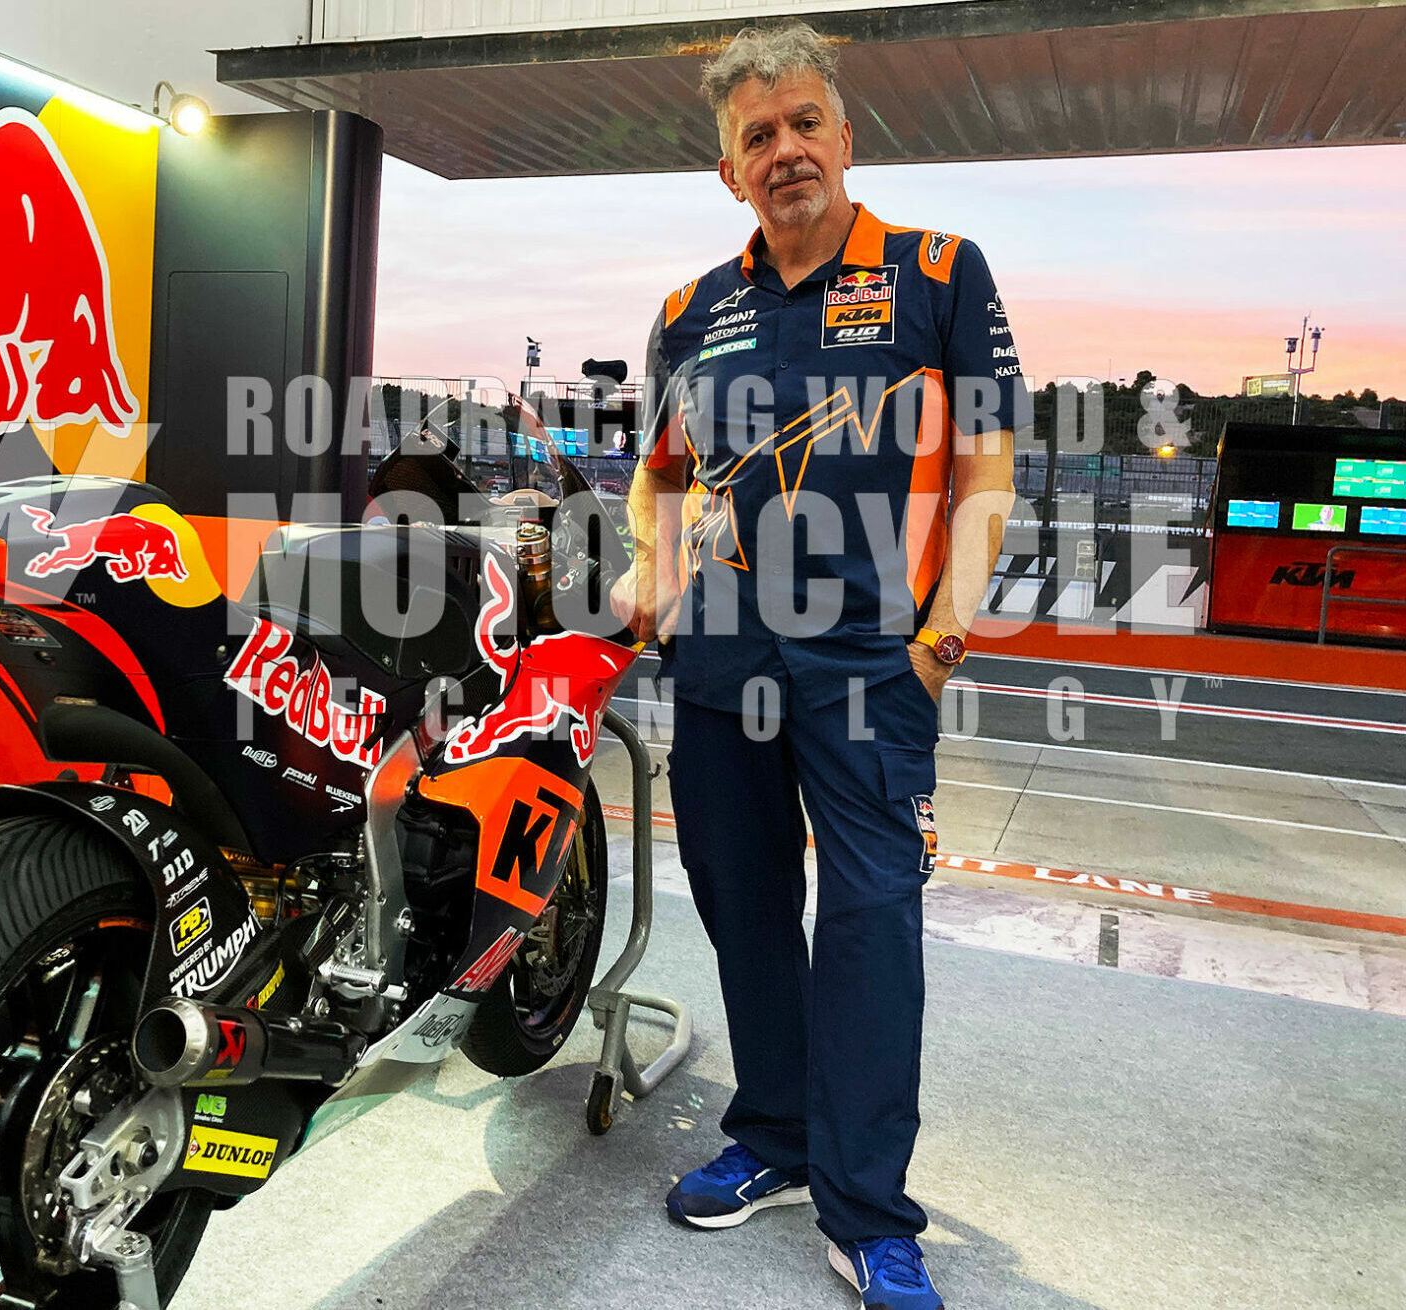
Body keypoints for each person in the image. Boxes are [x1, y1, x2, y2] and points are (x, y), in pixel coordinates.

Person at [609, 23, 1025, 1310]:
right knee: (740, 908)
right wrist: (654, 581)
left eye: (803, 125)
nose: (784, 150)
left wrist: (938, 644)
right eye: (757, 137)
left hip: (868, 669)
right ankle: (776, 1136)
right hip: (722, 669)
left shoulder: (939, 274)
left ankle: (866, 1206)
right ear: (728, 171)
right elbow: (660, 485)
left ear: (845, 139)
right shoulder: (691, 313)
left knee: (867, 926)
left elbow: (990, 474)